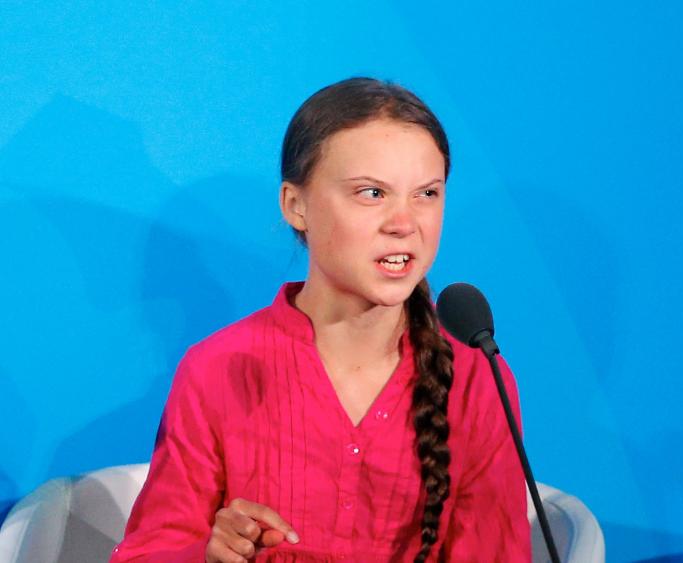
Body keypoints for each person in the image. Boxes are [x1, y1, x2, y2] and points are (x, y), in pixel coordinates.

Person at [110, 78, 531, 562]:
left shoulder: (477, 376)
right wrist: (206, 555)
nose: (404, 222)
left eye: (427, 194)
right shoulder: (216, 368)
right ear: (296, 205)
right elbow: (148, 550)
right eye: (372, 193)